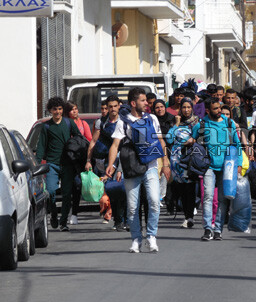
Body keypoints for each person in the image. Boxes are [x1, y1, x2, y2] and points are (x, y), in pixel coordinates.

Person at [106, 88, 171, 253]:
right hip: (132, 169)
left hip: (150, 166)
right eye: (143, 101)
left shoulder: (152, 118)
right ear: (134, 103)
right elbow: (115, 145)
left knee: (155, 201)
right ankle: (136, 239)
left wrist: (165, 162)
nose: (146, 104)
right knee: (133, 207)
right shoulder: (123, 122)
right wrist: (110, 164)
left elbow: (160, 140)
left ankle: (151, 236)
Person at [192, 97, 243, 241]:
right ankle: (208, 228)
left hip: (227, 166)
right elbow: (192, 141)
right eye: (215, 109)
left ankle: (218, 229)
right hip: (208, 166)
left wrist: (238, 163)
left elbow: (237, 144)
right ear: (207, 110)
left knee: (222, 198)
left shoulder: (229, 123)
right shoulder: (201, 125)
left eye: (219, 108)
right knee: (208, 196)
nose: (219, 111)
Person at [36, 97, 82, 231]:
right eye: (54, 109)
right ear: (50, 110)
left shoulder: (69, 123)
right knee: (50, 191)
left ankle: (63, 223)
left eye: (60, 109)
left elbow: (79, 139)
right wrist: (37, 165)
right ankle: (54, 214)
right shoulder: (46, 126)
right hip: (52, 164)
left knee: (67, 194)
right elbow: (41, 147)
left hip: (68, 164)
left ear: (63, 110)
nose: (57, 111)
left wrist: (80, 154)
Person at [85, 95, 126, 230]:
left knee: (122, 190)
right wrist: (88, 160)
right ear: (107, 108)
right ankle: (118, 220)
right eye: (110, 107)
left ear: (119, 106)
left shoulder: (124, 121)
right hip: (105, 161)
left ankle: (124, 219)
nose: (113, 109)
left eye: (115, 106)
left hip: (122, 160)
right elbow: (93, 141)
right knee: (112, 190)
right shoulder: (101, 122)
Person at [167, 97, 200, 228]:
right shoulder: (176, 122)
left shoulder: (197, 123)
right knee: (180, 189)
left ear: (192, 108)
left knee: (190, 189)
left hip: (190, 159)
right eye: (184, 107)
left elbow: (200, 139)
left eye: (188, 107)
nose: (186, 110)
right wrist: (176, 124)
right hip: (176, 161)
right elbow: (169, 139)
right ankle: (186, 215)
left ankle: (189, 217)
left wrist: (192, 141)